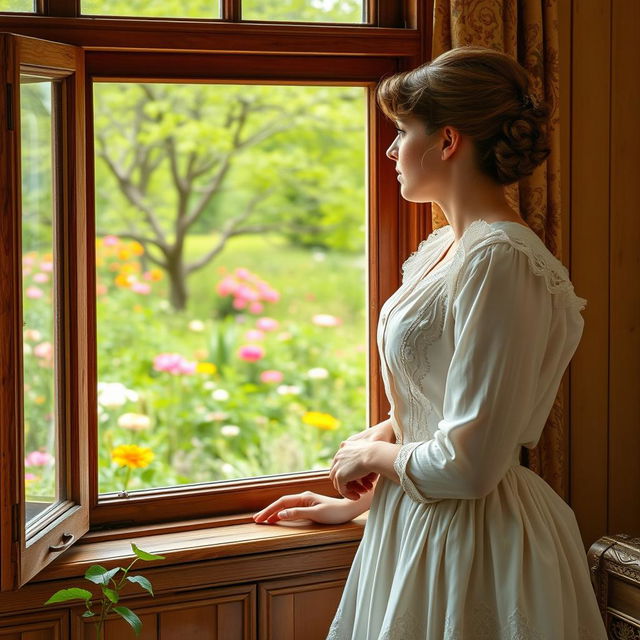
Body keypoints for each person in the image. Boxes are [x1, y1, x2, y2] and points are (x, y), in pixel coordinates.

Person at [253, 45, 608, 639]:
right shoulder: (445, 250)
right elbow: (448, 401)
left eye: (402, 131)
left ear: (447, 142)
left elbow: (472, 467)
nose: (391, 150)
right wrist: (361, 495)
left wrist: (372, 457)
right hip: (416, 530)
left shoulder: (501, 259)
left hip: (476, 548)